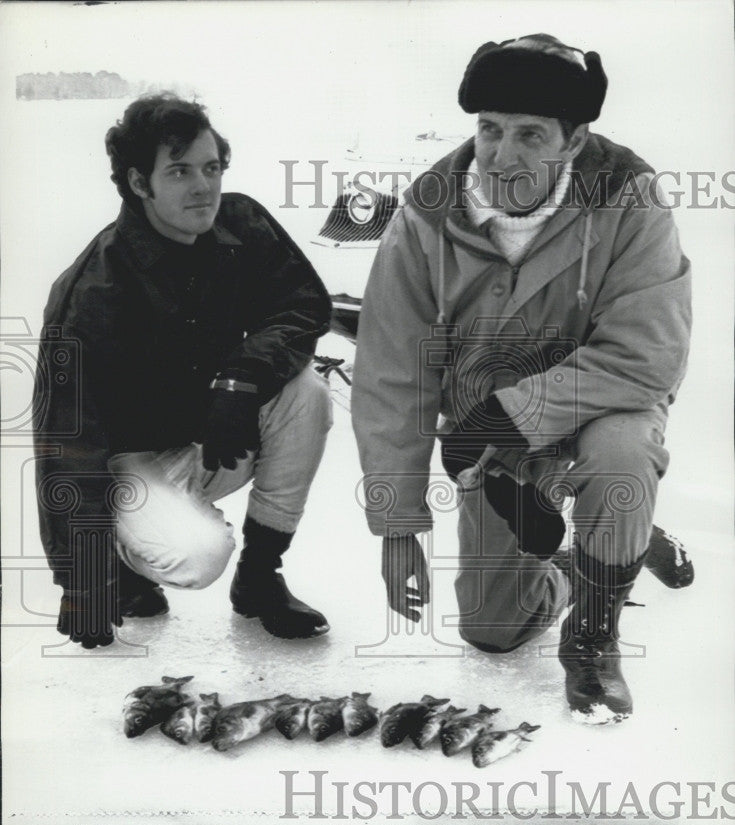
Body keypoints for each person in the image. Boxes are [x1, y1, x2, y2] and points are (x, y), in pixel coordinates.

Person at [352, 34, 693, 724]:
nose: (501, 155)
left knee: (619, 457)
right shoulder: (426, 216)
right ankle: (612, 546)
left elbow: (646, 355)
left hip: (604, 408)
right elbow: (390, 376)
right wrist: (396, 529)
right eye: (489, 130)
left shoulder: (630, 198)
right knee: (492, 629)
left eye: (529, 135)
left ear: (572, 142)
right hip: (487, 438)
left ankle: (593, 641)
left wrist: (514, 413)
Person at [34, 93, 333, 648]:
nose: (204, 186)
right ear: (139, 183)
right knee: (197, 557)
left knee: (307, 393)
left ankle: (260, 579)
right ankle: (125, 565)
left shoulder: (239, 223)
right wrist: (85, 582)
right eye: (179, 171)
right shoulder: (94, 291)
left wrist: (242, 381)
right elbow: (66, 444)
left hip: (214, 433)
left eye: (211, 167)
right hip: (125, 466)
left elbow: (302, 305)